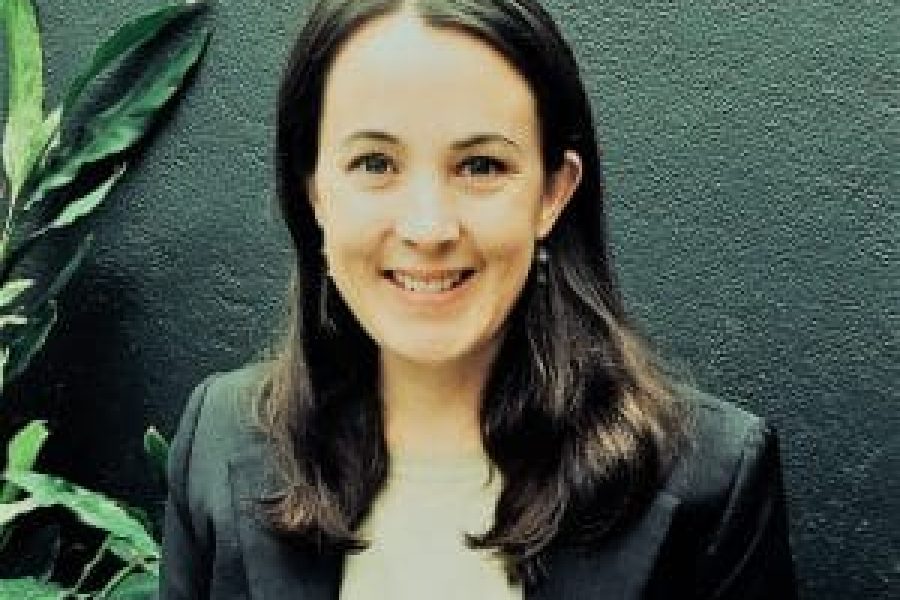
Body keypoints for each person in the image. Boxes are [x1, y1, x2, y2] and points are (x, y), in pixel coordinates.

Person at [160, 0, 799, 598]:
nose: (429, 228)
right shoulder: (217, 437)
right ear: (315, 192)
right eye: (376, 164)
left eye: (482, 167)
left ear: (553, 193)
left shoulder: (713, 479)